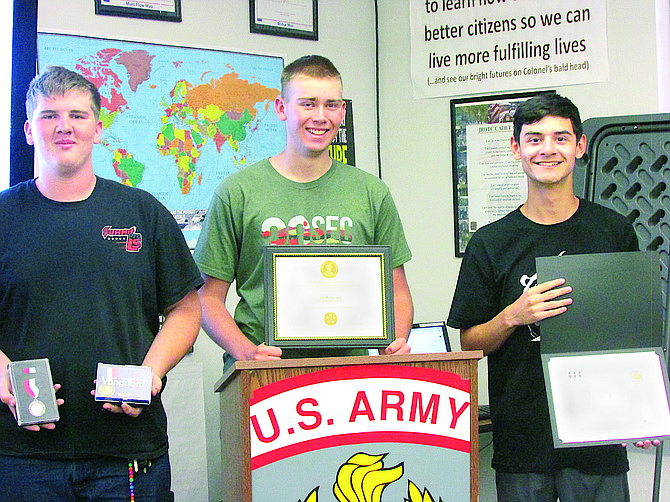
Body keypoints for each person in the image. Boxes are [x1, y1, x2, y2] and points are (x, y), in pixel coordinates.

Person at [0, 65, 203, 501]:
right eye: (49, 116)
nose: (64, 127)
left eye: (77, 115)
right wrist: (2, 375)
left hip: (127, 453)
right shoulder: (3, 216)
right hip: (20, 458)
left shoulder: (142, 212)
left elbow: (186, 309)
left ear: (98, 127)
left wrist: (152, 373)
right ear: (29, 131)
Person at [447, 93, 648, 502]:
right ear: (516, 148)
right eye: (534, 138)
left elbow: (633, 334)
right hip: (523, 439)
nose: (548, 149)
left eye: (560, 137)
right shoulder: (490, 242)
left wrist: (641, 409)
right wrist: (513, 315)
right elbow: (470, 344)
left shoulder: (614, 231)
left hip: (599, 438)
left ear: (580, 146)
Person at [194, 55, 413, 367]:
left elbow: (398, 292)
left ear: (342, 111)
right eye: (308, 104)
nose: (320, 116)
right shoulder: (237, 192)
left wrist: (393, 343)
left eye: (331, 105)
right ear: (282, 109)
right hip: (264, 371)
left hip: (351, 370)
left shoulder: (371, 192)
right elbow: (207, 298)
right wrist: (246, 352)